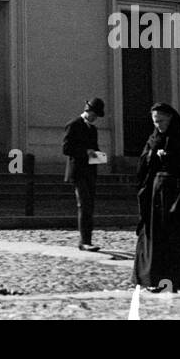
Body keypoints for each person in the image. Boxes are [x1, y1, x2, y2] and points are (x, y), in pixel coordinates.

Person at [133, 102, 180, 292]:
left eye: (161, 120)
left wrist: (169, 158)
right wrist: (153, 154)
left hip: (178, 196)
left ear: (170, 119)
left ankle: (178, 280)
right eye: (155, 121)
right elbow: (143, 165)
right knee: (156, 237)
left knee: (177, 238)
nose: (158, 125)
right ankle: (156, 279)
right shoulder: (153, 139)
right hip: (156, 196)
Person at [63, 97, 106, 250]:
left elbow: (95, 148)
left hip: (90, 172)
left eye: (97, 116)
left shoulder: (93, 129)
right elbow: (66, 149)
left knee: (90, 205)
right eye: (93, 114)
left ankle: (87, 239)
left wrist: (100, 156)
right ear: (87, 111)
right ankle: (84, 241)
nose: (95, 118)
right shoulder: (74, 125)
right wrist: (85, 152)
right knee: (84, 204)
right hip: (78, 172)